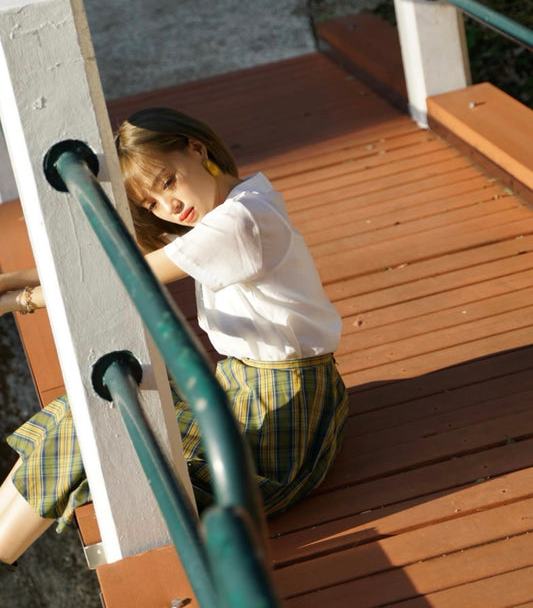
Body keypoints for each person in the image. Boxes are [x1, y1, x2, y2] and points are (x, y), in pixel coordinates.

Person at [0, 107, 348, 570]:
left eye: (167, 182)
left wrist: (20, 299)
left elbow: (124, 272)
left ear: (196, 148)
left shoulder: (238, 225)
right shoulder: (239, 204)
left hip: (280, 427)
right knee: (83, 407)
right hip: (251, 393)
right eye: (151, 204)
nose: (169, 207)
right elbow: (116, 257)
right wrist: (12, 280)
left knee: (97, 429)